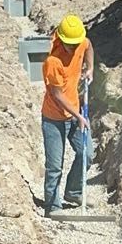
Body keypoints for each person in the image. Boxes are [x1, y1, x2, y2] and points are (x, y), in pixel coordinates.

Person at [41, 13, 93, 216]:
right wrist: (79, 116)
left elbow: (88, 46)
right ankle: (52, 206)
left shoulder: (80, 42)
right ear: (61, 39)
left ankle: (73, 192)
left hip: (74, 115)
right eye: (69, 45)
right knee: (55, 165)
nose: (73, 48)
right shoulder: (53, 61)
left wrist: (90, 68)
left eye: (75, 44)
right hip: (54, 118)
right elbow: (57, 95)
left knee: (86, 154)